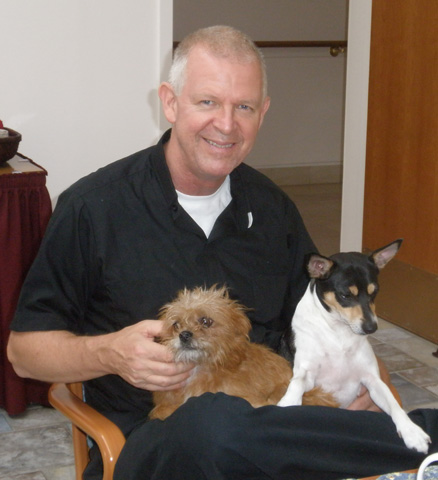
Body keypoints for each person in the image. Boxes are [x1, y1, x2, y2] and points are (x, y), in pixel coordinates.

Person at [7, 25, 437, 480]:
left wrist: (372, 391)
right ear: (170, 102)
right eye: (208, 102)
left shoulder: (274, 210)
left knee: (379, 426)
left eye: (244, 107)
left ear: (263, 113)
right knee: (214, 423)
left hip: (274, 425)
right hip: (159, 437)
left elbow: (331, 318)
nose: (227, 124)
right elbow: (24, 352)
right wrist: (110, 353)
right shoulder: (93, 208)